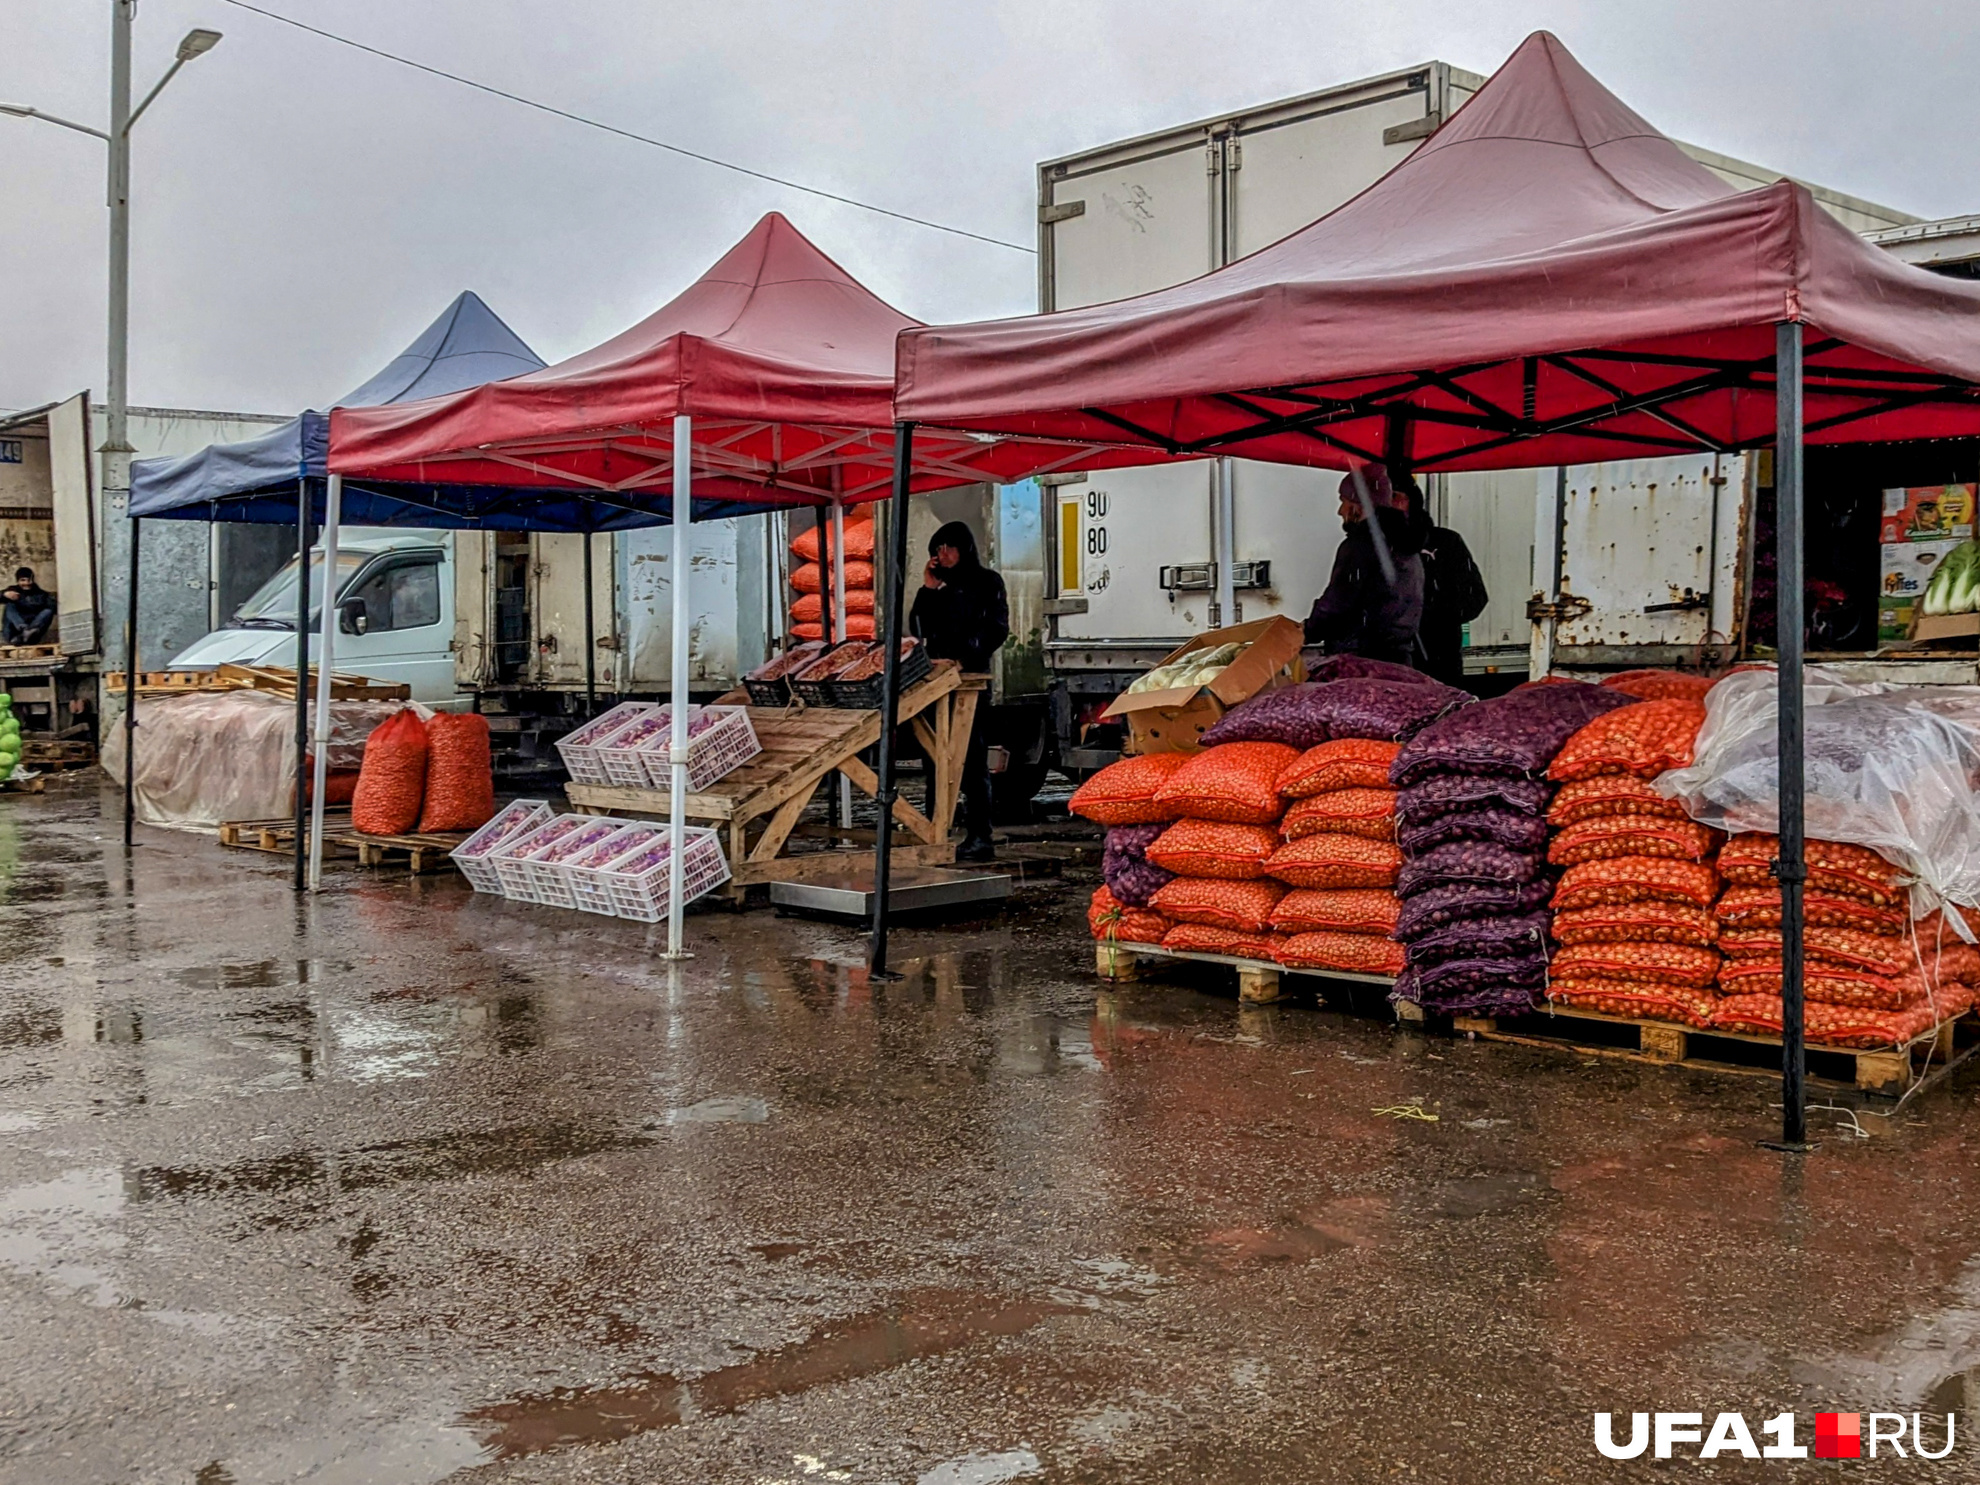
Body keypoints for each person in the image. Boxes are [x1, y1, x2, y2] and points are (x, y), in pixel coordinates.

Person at [910, 520, 1009, 862]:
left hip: (969, 681)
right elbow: (918, 627)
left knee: (970, 759)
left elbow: (996, 629)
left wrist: (965, 660)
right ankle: (935, 830)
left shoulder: (986, 582)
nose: (944, 555)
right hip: (935, 682)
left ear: (964, 549)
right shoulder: (941, 588)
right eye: (938, 550)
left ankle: (980, 834)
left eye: (950, 548)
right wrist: (928, 588)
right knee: (934, 758)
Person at [1301, 464, 1425, 667]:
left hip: (1360, 664)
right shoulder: (1408, 545)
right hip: (1400, 661)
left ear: (1358, 505)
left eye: (1344, 502)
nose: (1340, 511)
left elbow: (1337, 604)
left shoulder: (1360, 546)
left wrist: (1306, 631)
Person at [1403, 483, 1490, 689]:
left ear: (1412, 503)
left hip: (1440, 663)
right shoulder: (1373, 547)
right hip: (1388, 667)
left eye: (1397, 497)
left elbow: (1475, 597)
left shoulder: (1446, 542)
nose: (1390, 504)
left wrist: (1429, 618)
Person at [2, 568, 56, 646]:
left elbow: (53, 609)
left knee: (48, 611)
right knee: (10, 605)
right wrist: (4, 594)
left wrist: (51, 601)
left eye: (29, 580)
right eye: (23, 580)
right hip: (13, 635)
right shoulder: (13, 590)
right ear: (18, 581)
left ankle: (26, 633)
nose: (26, 583)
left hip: (32, 634)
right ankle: (24, 629)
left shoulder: (41, 594)